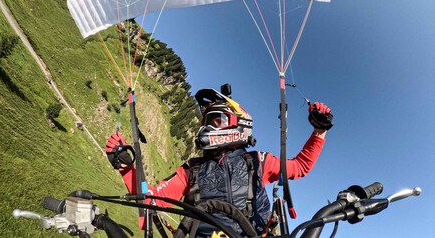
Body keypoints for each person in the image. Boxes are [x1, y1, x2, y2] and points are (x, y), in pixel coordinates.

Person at [105, 87, 333, 237]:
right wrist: (126, 168)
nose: (208, 126)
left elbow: (300, 167)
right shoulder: (191, 170)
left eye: (216, 119)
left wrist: (319, 131)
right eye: (207, 121)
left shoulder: (258, 161)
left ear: (237, 123)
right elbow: (151, 203)